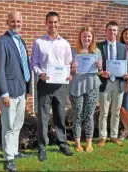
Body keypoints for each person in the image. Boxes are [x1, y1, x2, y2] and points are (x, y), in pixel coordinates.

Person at [30, 11, 74, 162]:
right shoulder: (38, 42)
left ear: (58, 23)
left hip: (61, 85)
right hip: (44, 83)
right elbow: (34, 63)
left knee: (60, 115)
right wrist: (39, 73)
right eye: (50, 22)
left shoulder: (65, 43)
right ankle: (42, 147)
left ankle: (62, 143)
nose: (53, 25)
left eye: (55, 22)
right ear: (46, 23)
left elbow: (68, 63)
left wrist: (70, 74)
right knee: (43, 117)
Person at [0, 11, 32, 171]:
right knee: (8, 125)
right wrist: (4, 93)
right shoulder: (2, 42)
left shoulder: (20, 40)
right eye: (13, 21)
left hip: (21, 89)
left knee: (18, 123)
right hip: (9, 92)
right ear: (7, 22)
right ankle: (8, 158)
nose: (16, 24)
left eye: (18, 21)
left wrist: (27, 88)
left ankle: (14, 151)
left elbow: (23, 66)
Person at [69, 26, 103, 152]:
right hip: (76, 86)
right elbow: (70, 72)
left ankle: (89, 143)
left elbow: (100, 72)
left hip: (92, 85)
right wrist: (72, 68)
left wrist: (100, 67)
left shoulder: (97, 52)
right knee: (77, 115)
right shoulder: (73, 52)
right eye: (84, 36)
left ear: (92, 38)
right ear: (80, 37)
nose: (86, 39)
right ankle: (77, 143)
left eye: (89, 36)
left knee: (89, 115)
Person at [97, 21, 127, 147]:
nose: (112, 32)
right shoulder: (99, 46)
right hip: (105, 82)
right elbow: (96, 65)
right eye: (110, 30)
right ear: (106, 31)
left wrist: (126, 73)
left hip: (119, 83)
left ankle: (114, 136)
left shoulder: (122, 47)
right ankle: (102, 137)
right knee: (103, 112)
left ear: (117, 32)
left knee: (116, 111)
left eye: (115, 30)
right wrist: (100, 72)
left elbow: (125, 64)